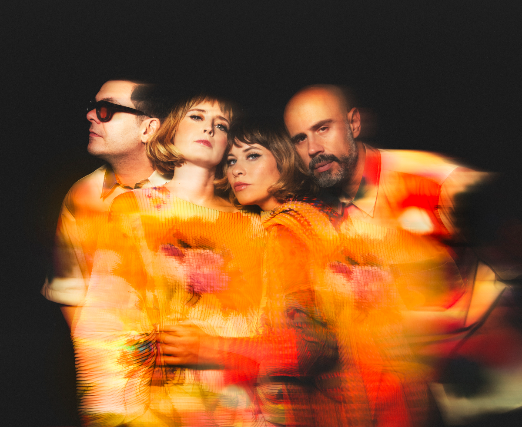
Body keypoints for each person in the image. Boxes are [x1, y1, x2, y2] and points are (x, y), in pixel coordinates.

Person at [283, 84, 522, 424]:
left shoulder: (429, 179)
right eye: (300, 139)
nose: (313, 149)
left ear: (353, 123)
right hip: (427, 408)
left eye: (323, 128)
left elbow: (509, 248)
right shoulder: (325, 224)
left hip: (503, 400)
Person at [223, 118, 439, 426]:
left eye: (252, 155)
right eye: (231, 161)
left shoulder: (285, 230)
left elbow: (308, 347)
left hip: (347, 405)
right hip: (394, 392)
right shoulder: (322, 216)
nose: (237, 170)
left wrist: (209, 349)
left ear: (284, 159)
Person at [72, 93, 267, 426]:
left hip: (239, 410)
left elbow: (266, 330)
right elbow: (107, 322)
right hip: (157, 410)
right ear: (171, 129)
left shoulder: (255, 226)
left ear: (228, 144)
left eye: (221, 125)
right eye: (197, 117)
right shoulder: (133, 208)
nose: (209, 128)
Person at [41, 80, 172, 330]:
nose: (90, 115)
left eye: (106, 110)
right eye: (92, 107)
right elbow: (68, 289)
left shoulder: (194, 189)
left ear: (148, 129)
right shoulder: (82, 195)